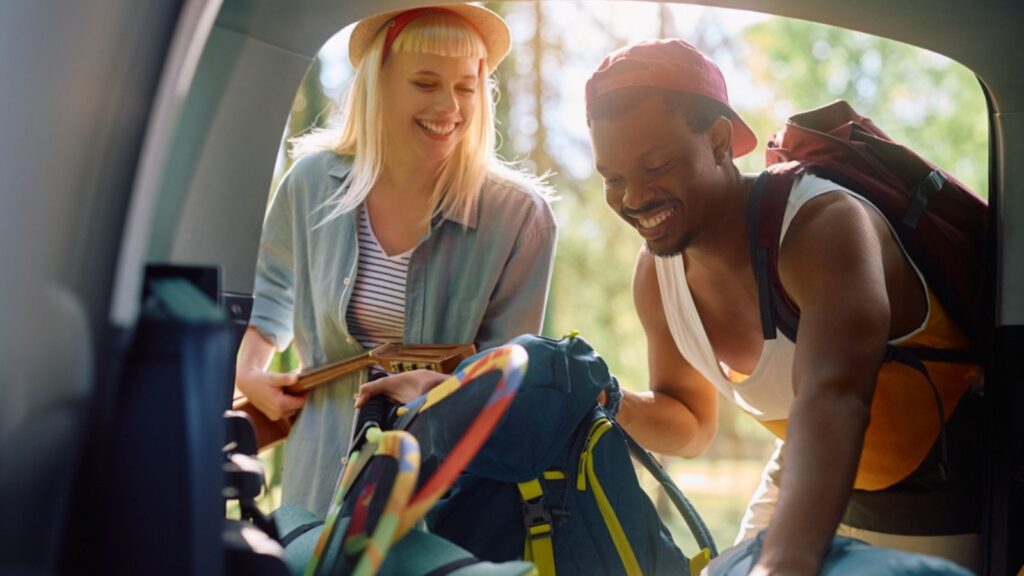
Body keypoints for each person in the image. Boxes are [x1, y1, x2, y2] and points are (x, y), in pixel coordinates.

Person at [584, 39, 983, 574]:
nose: (632, 198)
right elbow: (691, 423)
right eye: (613, 178)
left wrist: (783, 563)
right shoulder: (656, 275)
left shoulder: (822, 225)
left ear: (720, 141)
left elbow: (834, 399)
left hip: (933, 482)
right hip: (805, 465)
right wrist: (600, 400)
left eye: (655, 165)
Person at [235, 4, 557, 517]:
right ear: (377, 82)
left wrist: (438, 391)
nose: (449, 106)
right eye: (425, 83)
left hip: (444, 496)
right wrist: (250, 373)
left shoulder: (521, 217)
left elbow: (508, 376)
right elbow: (270, 297)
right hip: (316, 482)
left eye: (466, 86)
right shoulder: (310, 182)